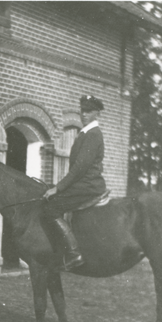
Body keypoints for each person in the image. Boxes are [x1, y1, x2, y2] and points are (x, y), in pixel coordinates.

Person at [42, 95, 107, 271]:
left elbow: (80, 168)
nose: (84, 114)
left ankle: (73, 253)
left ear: (97, 114)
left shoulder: (93, 134)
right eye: (82, 110)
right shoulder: (86, 133)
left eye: (88, 111)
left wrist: (58, 187)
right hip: (84, 184)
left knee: (51, 208)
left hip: (88, 186)